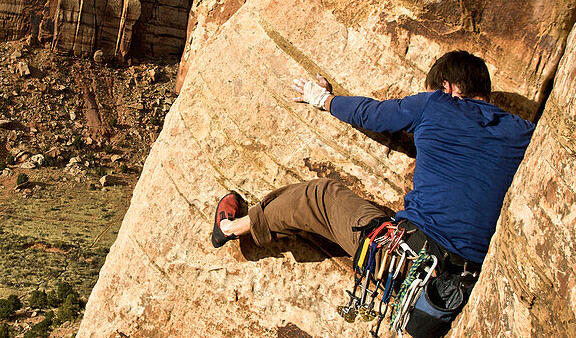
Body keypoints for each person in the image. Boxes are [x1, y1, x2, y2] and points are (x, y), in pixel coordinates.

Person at [212, 51, 535, 272]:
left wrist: (322, 98)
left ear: (447, 88)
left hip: (403, 262)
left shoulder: (437, 105)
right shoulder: (526, 134)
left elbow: (373, 115)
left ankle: (231, 227)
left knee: (319, 196)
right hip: (461, 279)